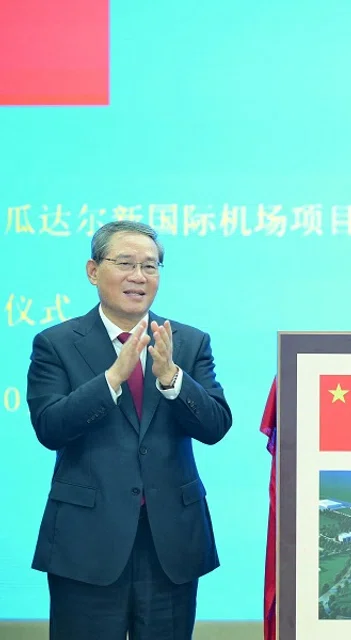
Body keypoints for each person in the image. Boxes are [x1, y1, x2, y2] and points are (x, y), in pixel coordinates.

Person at [26, 220, 232, 640]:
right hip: (87, 544)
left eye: (150, 266)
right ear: (93, 271)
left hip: (170, 544)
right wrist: (111, 380)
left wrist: (172, 377)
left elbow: (215, 426)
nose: (139, 276)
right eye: (125, 263)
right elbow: (50, 427)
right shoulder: (56, 343)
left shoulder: (187, 342)